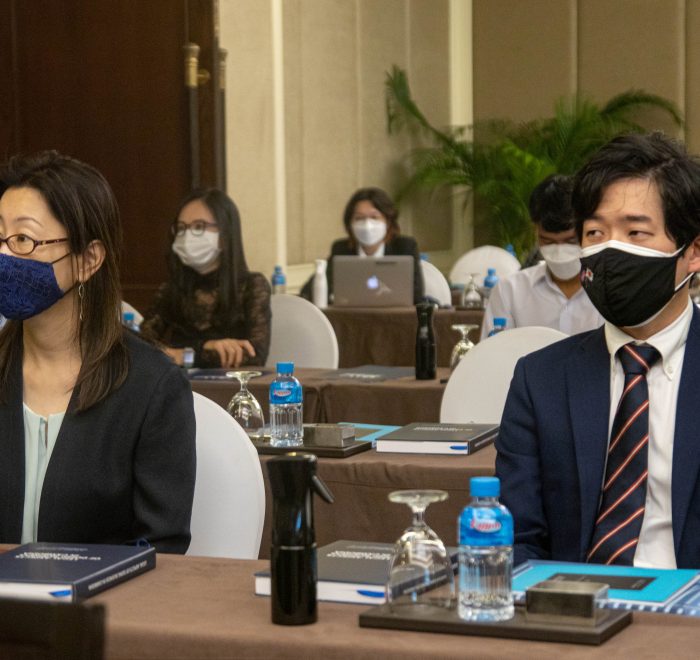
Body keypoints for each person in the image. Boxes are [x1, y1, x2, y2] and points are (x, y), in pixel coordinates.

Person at [496, 132, 700, 569]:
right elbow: (517, 538)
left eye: (635, 232)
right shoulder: (541, 378)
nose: (611, 249)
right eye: (595, 233)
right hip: (576, 599)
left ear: (693, 252)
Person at [0, 151, 195, 553]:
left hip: (101, 594)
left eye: (23, 240)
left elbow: (161, 546)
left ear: (88, 260)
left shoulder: (151, 387)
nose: (4, 255)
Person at [140, 188, 271, 369]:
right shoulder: (170, 289)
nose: (187, 236)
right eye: (181, 228)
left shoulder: (252, 286)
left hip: (233, 384)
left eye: (199, 227)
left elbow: (255, 355)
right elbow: (142, 345)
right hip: (180, 383)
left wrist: (183, 355)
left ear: (225, 234)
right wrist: (205, 348)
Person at [480, 174, 603, 339]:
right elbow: (493, 351)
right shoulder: (510, 292)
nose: (559, 252)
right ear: (535, 231)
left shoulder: (609, 291)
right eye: (548, 241)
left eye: (570, 241)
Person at [300, 187, 424, 304]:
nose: (367, 225)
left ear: (388, 222)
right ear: (350, 224)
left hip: (394, 316)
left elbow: (417, 294)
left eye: (374, 217)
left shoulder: (404, 247)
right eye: (359, 218)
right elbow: (308, 292)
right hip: (351, 316)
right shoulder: (342, 249)